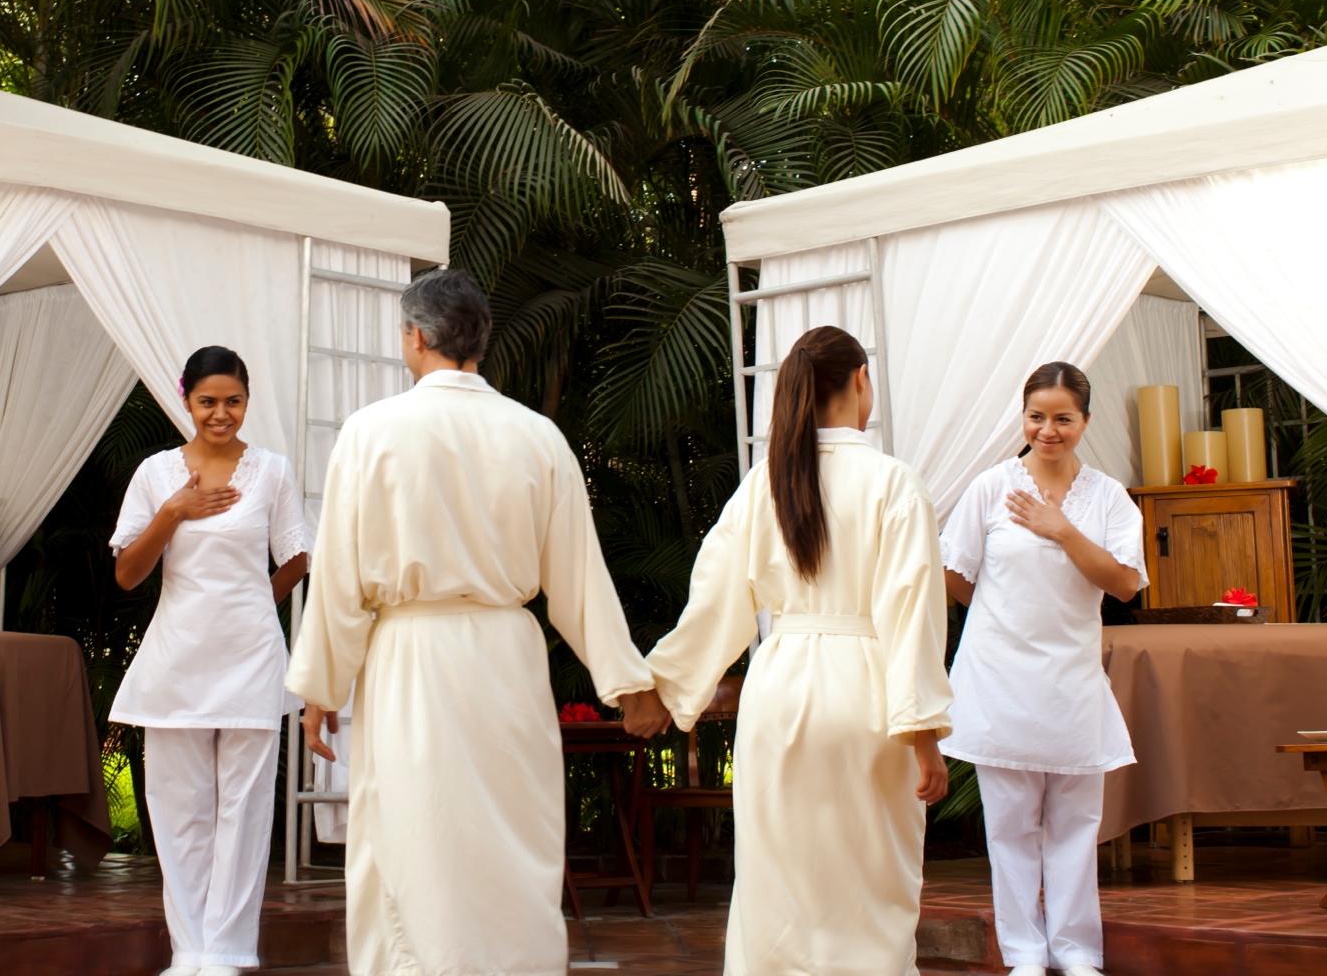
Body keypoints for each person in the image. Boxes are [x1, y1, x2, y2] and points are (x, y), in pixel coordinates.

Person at [285, 267, 669, 975]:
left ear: (415, 337)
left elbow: (339, 577)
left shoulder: (371, 433)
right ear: (479, 343)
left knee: (412, 832)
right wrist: (627, 684)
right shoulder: (538, 437)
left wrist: (321, 689)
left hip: (409, 659)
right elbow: (579, 578)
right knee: (507, 835)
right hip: (504, 659)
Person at [643, 325, 954, 976]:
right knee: (872, 890)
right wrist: (923, 731)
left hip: (780, 692)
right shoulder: (894, 483)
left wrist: (663, 692)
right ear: (860, 380)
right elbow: (912, 610)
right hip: (866, 693)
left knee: (778, 894)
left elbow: (716, 600)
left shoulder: (766, 483)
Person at [110, 346, 312, 976]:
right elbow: (127, 574)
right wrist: (174, 512)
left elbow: (298, 557)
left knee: (245, 811)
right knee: (179, 811)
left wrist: (255, 601)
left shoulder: (272, 471)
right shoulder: (154, 475)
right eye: (207, 401)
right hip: (177, 659)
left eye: (233, 401)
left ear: (247, 401)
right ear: (186, 401)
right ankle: (189, 951)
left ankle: (226, 952)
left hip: (252, 657)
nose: (220, 414)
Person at [941, 363, 1146, 976]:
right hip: (999, 679)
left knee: (1076, 829)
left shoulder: (1107, 496)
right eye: (1036, 416)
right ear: (1022, 417)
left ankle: (1078, 953)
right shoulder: (990, 487)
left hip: (1073, 682)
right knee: (1008, 830)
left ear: (1085, 420)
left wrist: (1062, 531)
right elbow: (956, 573)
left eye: (1062, 418)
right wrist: (1002, 620)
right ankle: (1025, 955)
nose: (1048, 430)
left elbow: (1126, 584)